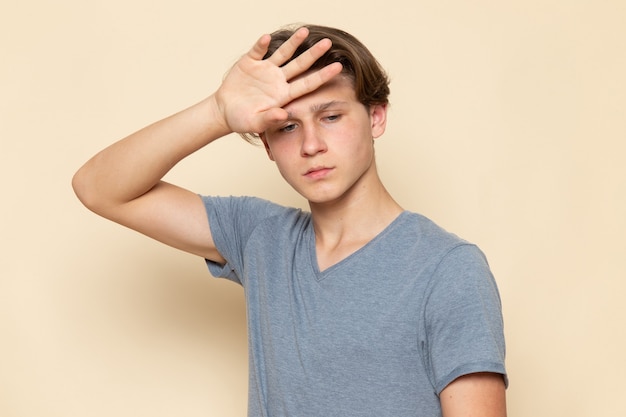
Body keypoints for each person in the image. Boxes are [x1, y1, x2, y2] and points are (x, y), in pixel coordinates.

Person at [73, 24, 507, 417]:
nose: (311, 145)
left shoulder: (449, 268)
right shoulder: (260, 237)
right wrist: (217, 113)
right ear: (266, 145)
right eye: (287, 127)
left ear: (375, 116)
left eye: (331, 117)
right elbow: (99, 188)